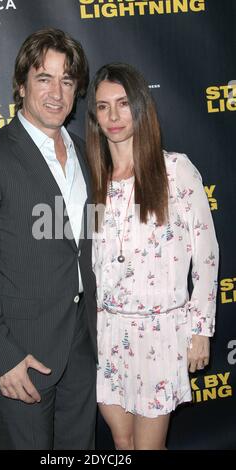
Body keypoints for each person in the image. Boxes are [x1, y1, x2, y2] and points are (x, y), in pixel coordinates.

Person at [0, 28, 97, 450]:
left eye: (67, 80)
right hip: (23, 355)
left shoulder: (88, 153)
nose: (56, 92)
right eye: (43, 78)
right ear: (21, 84)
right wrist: (1, 355)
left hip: (84, 348)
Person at [86, 63, 219, 450]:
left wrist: (201, 330)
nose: (113, 116)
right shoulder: (95, 184)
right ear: (94, 115)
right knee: (122, 442)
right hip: (109, 333)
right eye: (103, 106)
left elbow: (207, 253)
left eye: (123, 104)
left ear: (140, 108)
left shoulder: (176, 171)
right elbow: (94, 261)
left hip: (161, 334)